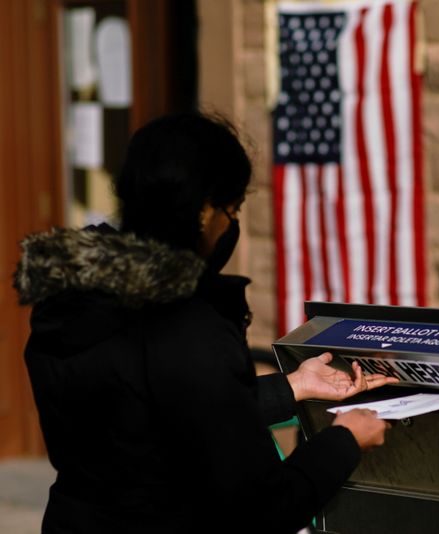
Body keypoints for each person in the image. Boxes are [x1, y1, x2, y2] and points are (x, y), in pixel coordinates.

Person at [13, 112, 397, 533]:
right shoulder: (182, 324)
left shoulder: (70, 302)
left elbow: (152, 420)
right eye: (232, 210)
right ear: (203, 211)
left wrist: (292, 386)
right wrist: (345, 440)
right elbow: (261, 507)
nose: (231, 226)